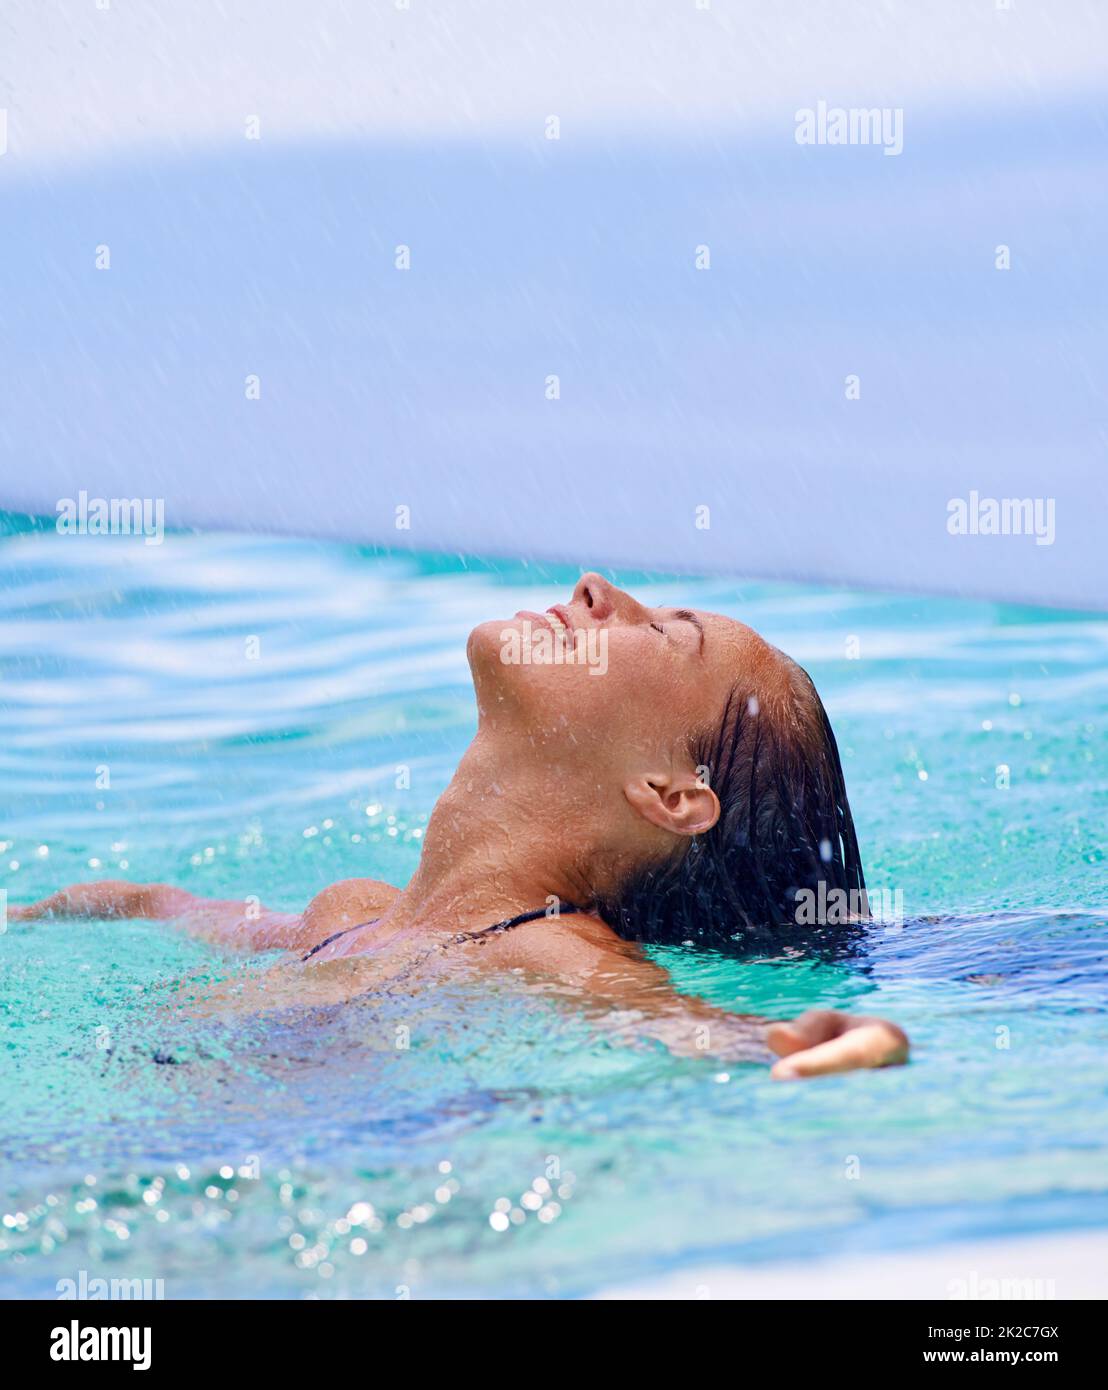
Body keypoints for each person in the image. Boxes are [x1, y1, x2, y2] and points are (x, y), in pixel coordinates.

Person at [11, 573, 908, 1079]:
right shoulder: (348, 911)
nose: (601, 590)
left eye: (666, 634)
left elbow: (687, 1028)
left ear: (670, 793)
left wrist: (829, 1040)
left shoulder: (552, 953)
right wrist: (72, 909)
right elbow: (167, 905)